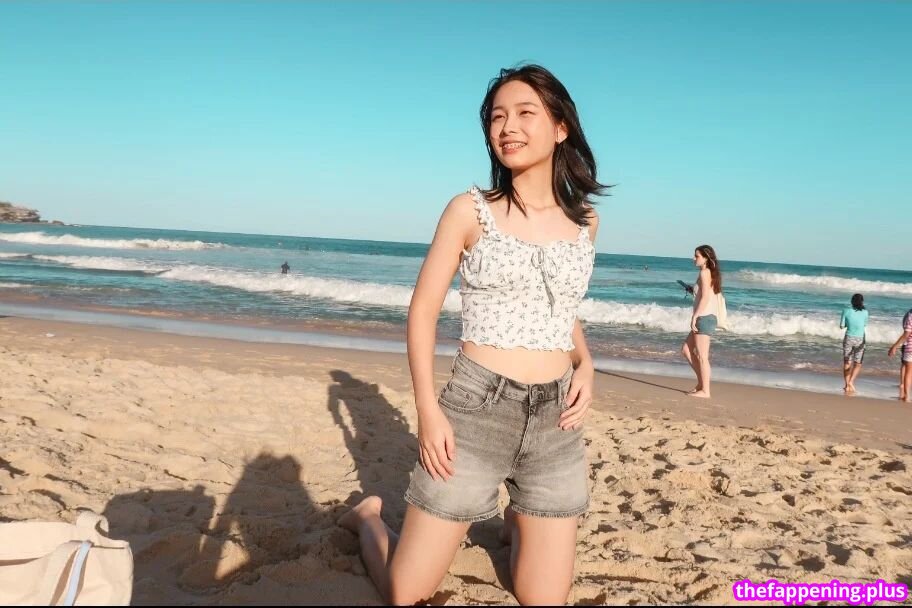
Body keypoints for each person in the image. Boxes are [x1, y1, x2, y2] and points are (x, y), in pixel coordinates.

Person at [338, 64, 605, 605]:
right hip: (477, 408)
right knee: (404, 593)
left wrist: (586, 362)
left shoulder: (586, 222)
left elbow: (560, 305)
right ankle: (367, 518)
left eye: (525, 113)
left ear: (560, 128)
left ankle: (517, 521)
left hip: (556, 421)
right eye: (497, 117)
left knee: (542, 599)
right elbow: (422, 312)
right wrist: (427, 410)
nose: (508, 127)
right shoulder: (470, 211)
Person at [680, 245, 722, 399]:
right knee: (686, 349)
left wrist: (695, 316)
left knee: (702, 357)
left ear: (706, 258)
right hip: (705, 317)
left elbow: (705, 298)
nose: (694, 258)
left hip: (704, 318)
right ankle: (701, 384)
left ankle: (706, 391)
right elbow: (703, 294)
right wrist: (692, 290)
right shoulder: (707, 272)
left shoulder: (705, 273)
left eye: (697, 256)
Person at [839, 293, 868, 395]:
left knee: (847, 362)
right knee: (858, 363)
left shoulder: (846, 310)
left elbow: (841, 326)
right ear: (862, 302)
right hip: (860, 339)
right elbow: (864, 324)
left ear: (852, 301)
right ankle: (851, 381)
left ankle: (847, 385)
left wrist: (848, 324)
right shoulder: (865, 312)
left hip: (849, 338)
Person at [887, 307, 912, 402]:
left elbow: (906, 334)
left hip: (910, 347)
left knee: (909, 372)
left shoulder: (910, 315)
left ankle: (907, 396)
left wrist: (895, 346)